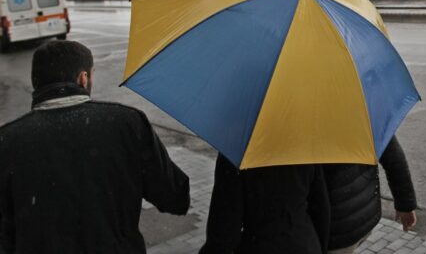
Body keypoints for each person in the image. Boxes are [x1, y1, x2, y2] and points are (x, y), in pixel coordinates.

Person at [0, 40, 190, 253]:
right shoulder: (126, 123)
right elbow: (174, 197)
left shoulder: (7, 140)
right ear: (83, 78)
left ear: (36, 81)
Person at [200, 155, 329, 254]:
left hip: (260, 245)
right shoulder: (303, 149)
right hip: (304, 243)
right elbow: (321, 209)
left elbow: (224, 231)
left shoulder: (236, 154)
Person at [325, 136, 417, 253]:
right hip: (363, 216)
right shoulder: (364, 117)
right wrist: (406, 204)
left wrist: (406, 204)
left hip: (334, 230)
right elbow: (392, 154)